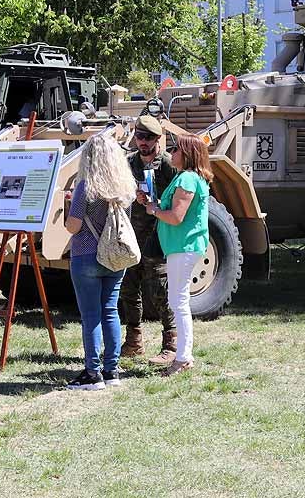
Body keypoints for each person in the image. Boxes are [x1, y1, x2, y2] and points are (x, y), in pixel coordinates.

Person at [65, 132, 137, 390]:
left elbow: (73, 226)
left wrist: (67, 212)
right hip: (115, 258)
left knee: (91, 315)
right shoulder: (125, 188)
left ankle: (92, 373)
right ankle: (112, 371)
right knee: (110, 311)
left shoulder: (85, 186)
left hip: (86, 255)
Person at [142, 134, 212, 376]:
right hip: (180, 246)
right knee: (178, 301)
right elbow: (173, 209)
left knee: (178, 302)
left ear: (187, 154)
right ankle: (183, 356)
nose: (171, 152)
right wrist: (155, 203)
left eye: (175, 149)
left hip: (184, 246)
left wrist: (153, 210)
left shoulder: (188, 179)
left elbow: (176, 217)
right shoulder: (188, 178)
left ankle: (182, 358)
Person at [121, 115, 178, 364]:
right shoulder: (128, 162)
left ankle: (171, 344)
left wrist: (155, 202)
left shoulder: (166, 164)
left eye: (148, 138)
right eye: (139, 137)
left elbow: (179, 198)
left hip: (158, 235)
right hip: (132, 235)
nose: (143, 142)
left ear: (157, 139)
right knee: (129, 289)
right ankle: (134, 341)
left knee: (161, 291)